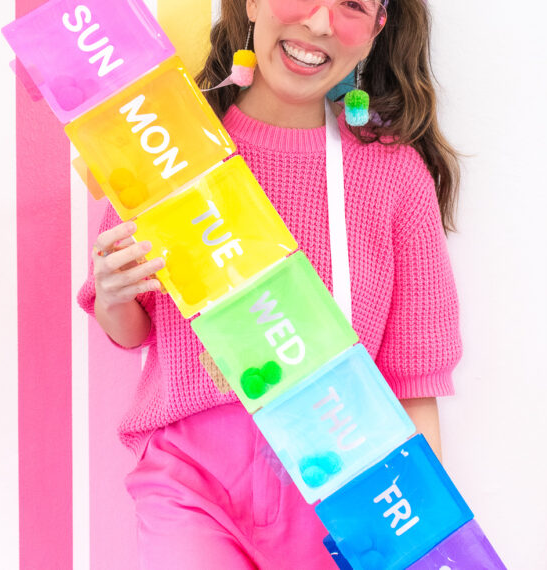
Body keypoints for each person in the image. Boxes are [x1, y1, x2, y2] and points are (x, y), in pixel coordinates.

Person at [77, 0, 462, 567]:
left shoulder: (395, 177)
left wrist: (424, 545)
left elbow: (414, 382)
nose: (320, 22)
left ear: (377, 31)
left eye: (352, 6)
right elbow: (133, 330)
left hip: (341, 487)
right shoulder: (171, 150)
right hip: (191, 480)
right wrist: (113, 292)